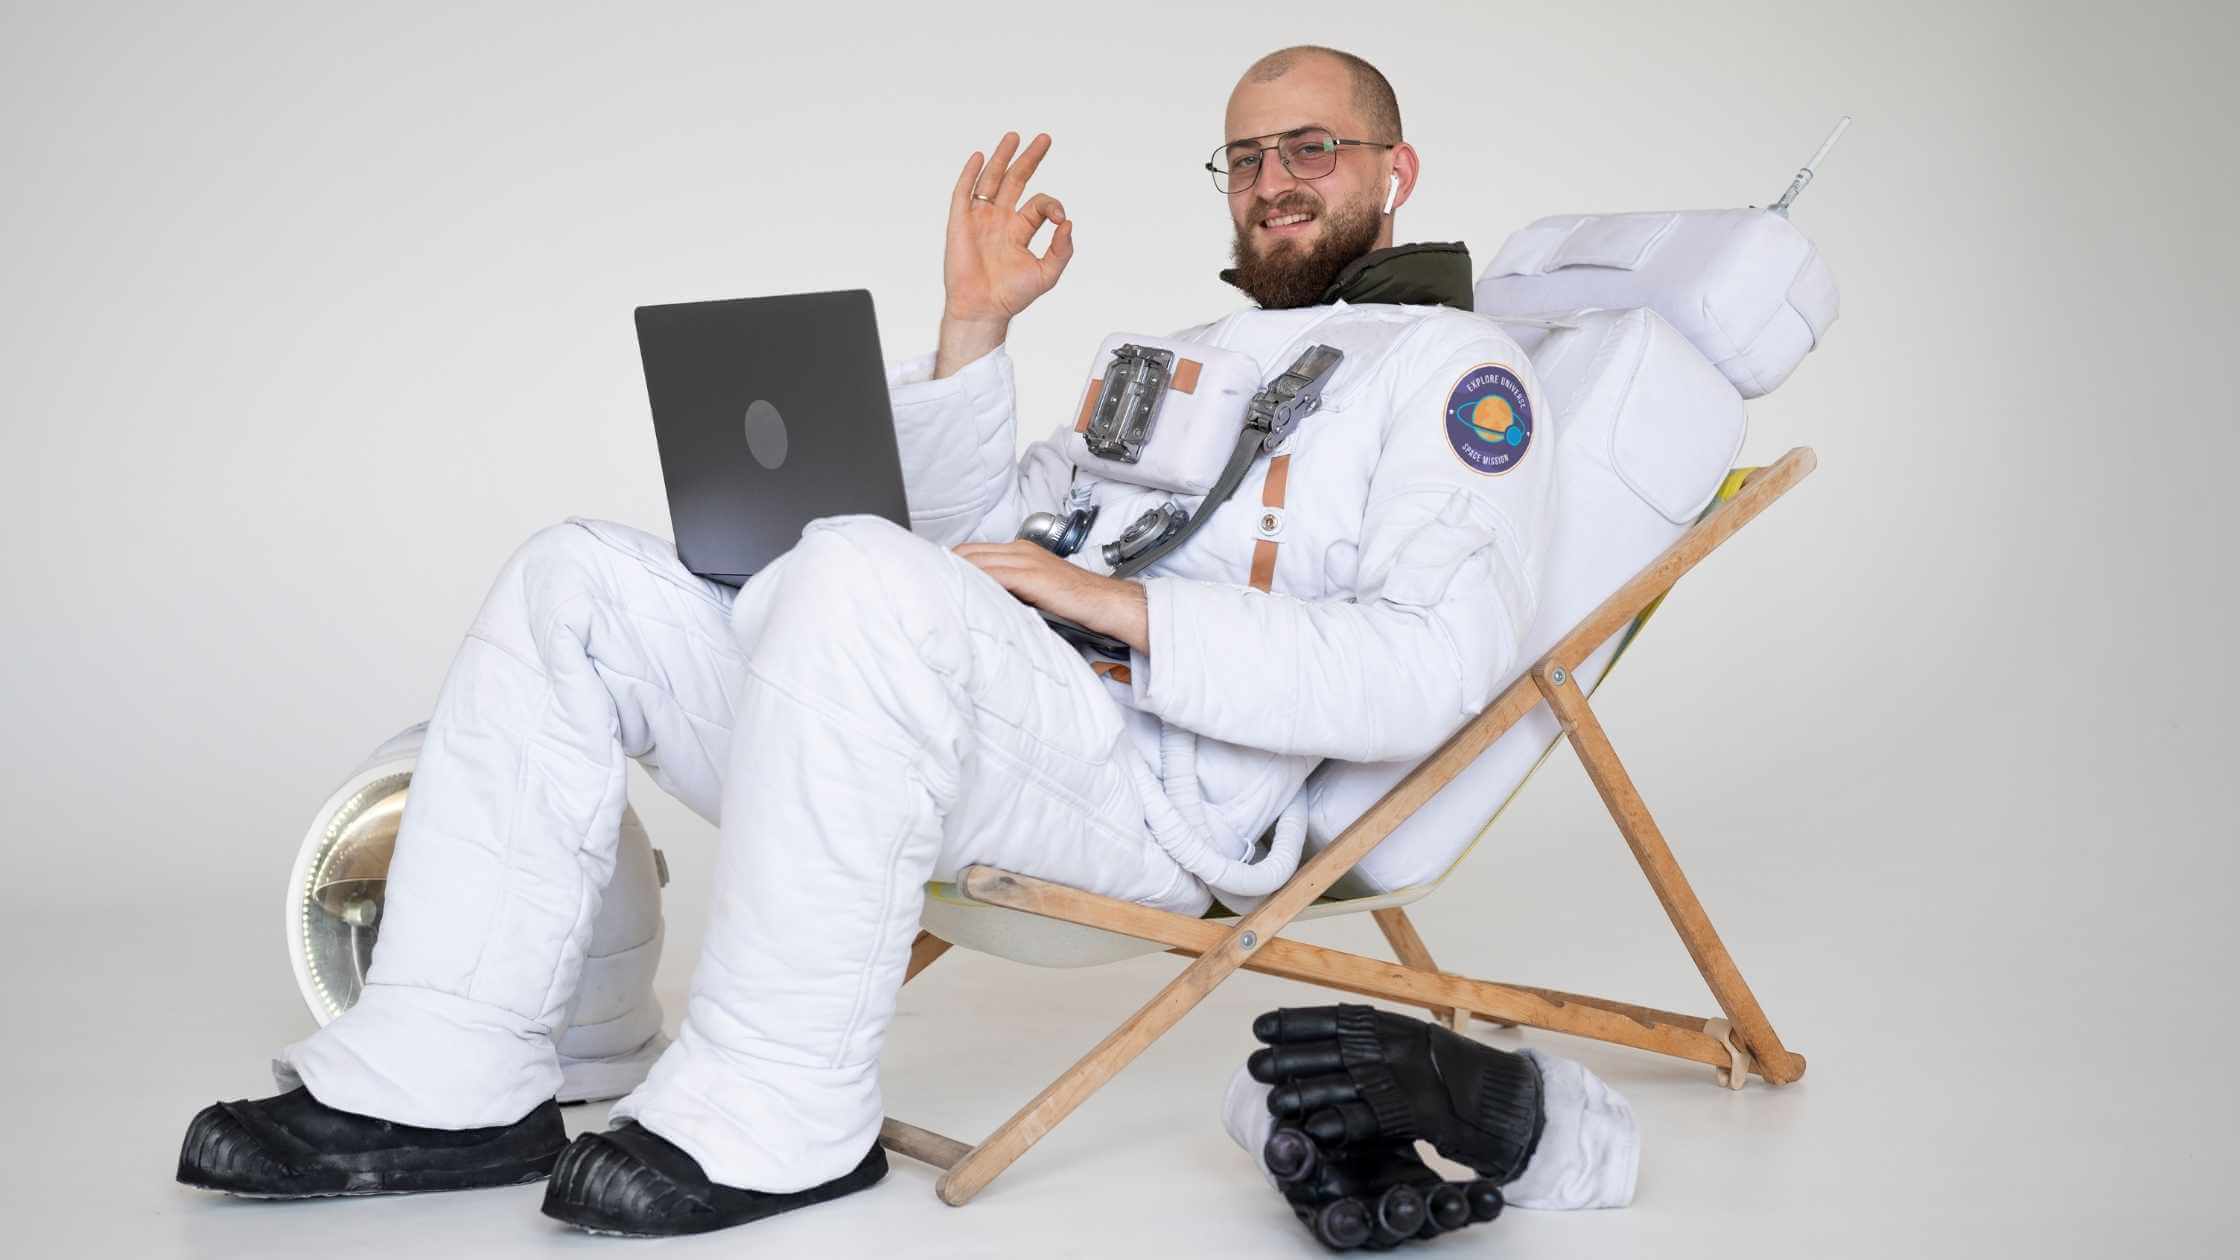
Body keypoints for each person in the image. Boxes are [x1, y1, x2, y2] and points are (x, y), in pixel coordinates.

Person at [177, 44, 1630, 1240]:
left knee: (859, 578)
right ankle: (445, 1080)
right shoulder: (1189, 355)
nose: (1271, 185)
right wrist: (974, 332)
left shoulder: (1461, 379)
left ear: (1395, 170)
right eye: (1245, 160)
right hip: (988, 711)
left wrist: (1126, 612)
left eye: (1309, 150)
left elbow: (1435, 668)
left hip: (1163, 787)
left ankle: (777, 1111)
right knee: (577, 583)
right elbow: (978, 547)